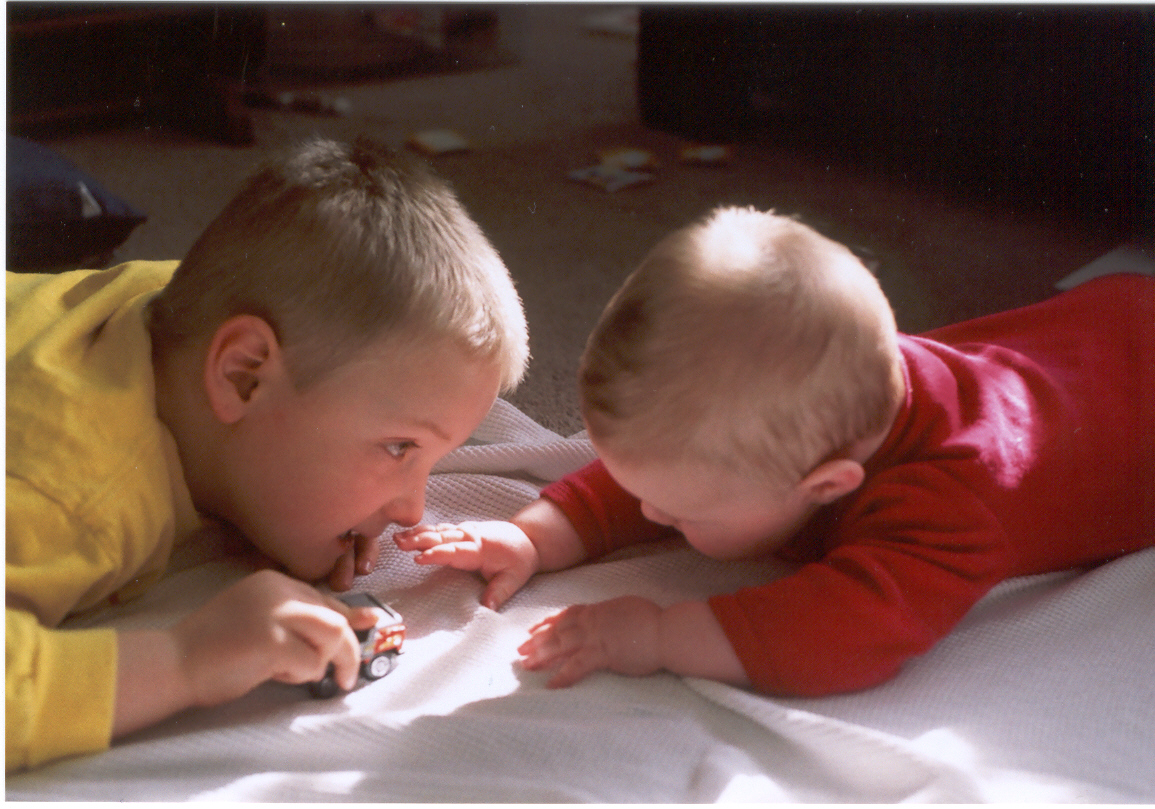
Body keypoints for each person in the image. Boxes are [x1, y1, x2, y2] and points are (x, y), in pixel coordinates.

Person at [396, 206, 1154, 698]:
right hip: (1103, 318)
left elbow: (849, 631)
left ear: (828, 484)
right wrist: (535, 533)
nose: (647, 512)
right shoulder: (831, 386)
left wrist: (659, 633)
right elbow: (671, 463)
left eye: (677, 511)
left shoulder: (952, 496)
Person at [6, 136, 529, 772]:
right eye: (399, 447)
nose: (413, 510)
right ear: (244, 376)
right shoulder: (72, 493)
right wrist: (183, 662)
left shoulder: (181, 308)